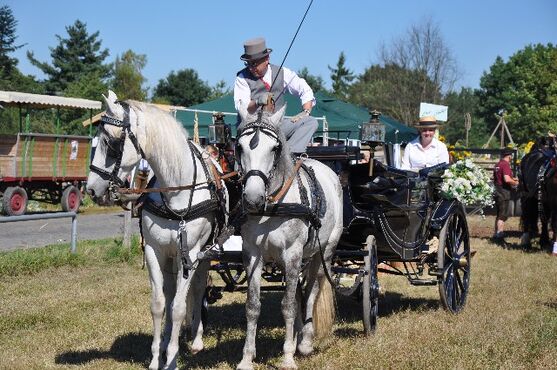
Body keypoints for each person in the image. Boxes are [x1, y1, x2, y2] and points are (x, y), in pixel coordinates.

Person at [233, 37, 318, 155]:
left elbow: (304, 89)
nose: (251, 68)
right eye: (248, 64)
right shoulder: (242, 77)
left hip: (276, 127)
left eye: (255, 63)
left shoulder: (282, 72)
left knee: (310, 122)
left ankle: (289, 155)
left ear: (267, 59)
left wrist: (306, 112)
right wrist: (257, 101)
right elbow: (241, 107)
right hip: (251, 129)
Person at [492, 148, 519, 246]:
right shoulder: (506, 164)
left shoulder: (498, 164)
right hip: (504, 193)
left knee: (499, 214)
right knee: (502, 216)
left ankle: (496, 235)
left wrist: (513, 178)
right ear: (509, 156)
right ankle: (499, 237)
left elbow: (500, 178)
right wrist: (516, 182)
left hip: (497, 191)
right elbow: (507, 179)